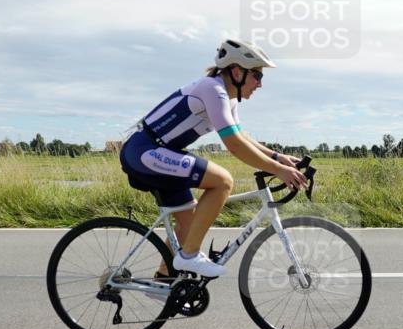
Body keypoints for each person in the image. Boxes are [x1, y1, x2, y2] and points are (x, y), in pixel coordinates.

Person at [120, 40, 308, 278]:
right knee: (222, 181)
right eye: (257, 75)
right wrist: (278, 170)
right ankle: (189, 256)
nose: (260, 84)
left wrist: (277, 157)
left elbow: (242, 135)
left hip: (160, 152)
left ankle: (166, 279)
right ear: (237, 71)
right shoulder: (213, 89)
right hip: (145, 151)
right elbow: (234, 144)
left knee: (190, 223)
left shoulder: (228, 98)